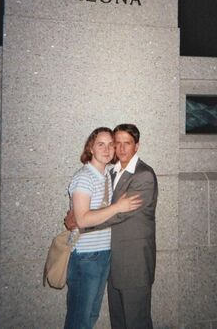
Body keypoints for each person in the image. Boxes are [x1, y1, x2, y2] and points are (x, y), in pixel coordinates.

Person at [65, 123, 158, 329]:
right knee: (116, 320)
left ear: (137, 146)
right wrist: (78, 216)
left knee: (136, 321)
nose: (121, 148)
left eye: (127, 143)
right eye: (117, 143)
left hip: (134, 261)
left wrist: (81, 223)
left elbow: (121, 214)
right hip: (110, 258)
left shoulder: (143, 175)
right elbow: (101, 205)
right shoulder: (111, 173)